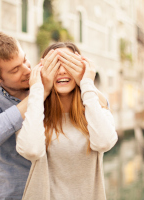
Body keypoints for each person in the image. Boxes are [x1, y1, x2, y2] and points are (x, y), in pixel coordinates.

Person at [16, 42, 118, 200]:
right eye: (55, 65)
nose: (62, 71)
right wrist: (37, 88)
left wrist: (86, 83)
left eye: (69, 64)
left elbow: (104, 142)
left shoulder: (96, 112)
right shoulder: (33, 115)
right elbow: (32, 150)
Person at [0, 31, 60, 200]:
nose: (27, 70)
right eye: (15, 70)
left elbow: (99, 105)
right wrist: (39, 93)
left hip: (55, 191)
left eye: (25, 60)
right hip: (16, 193)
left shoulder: (44, 80)